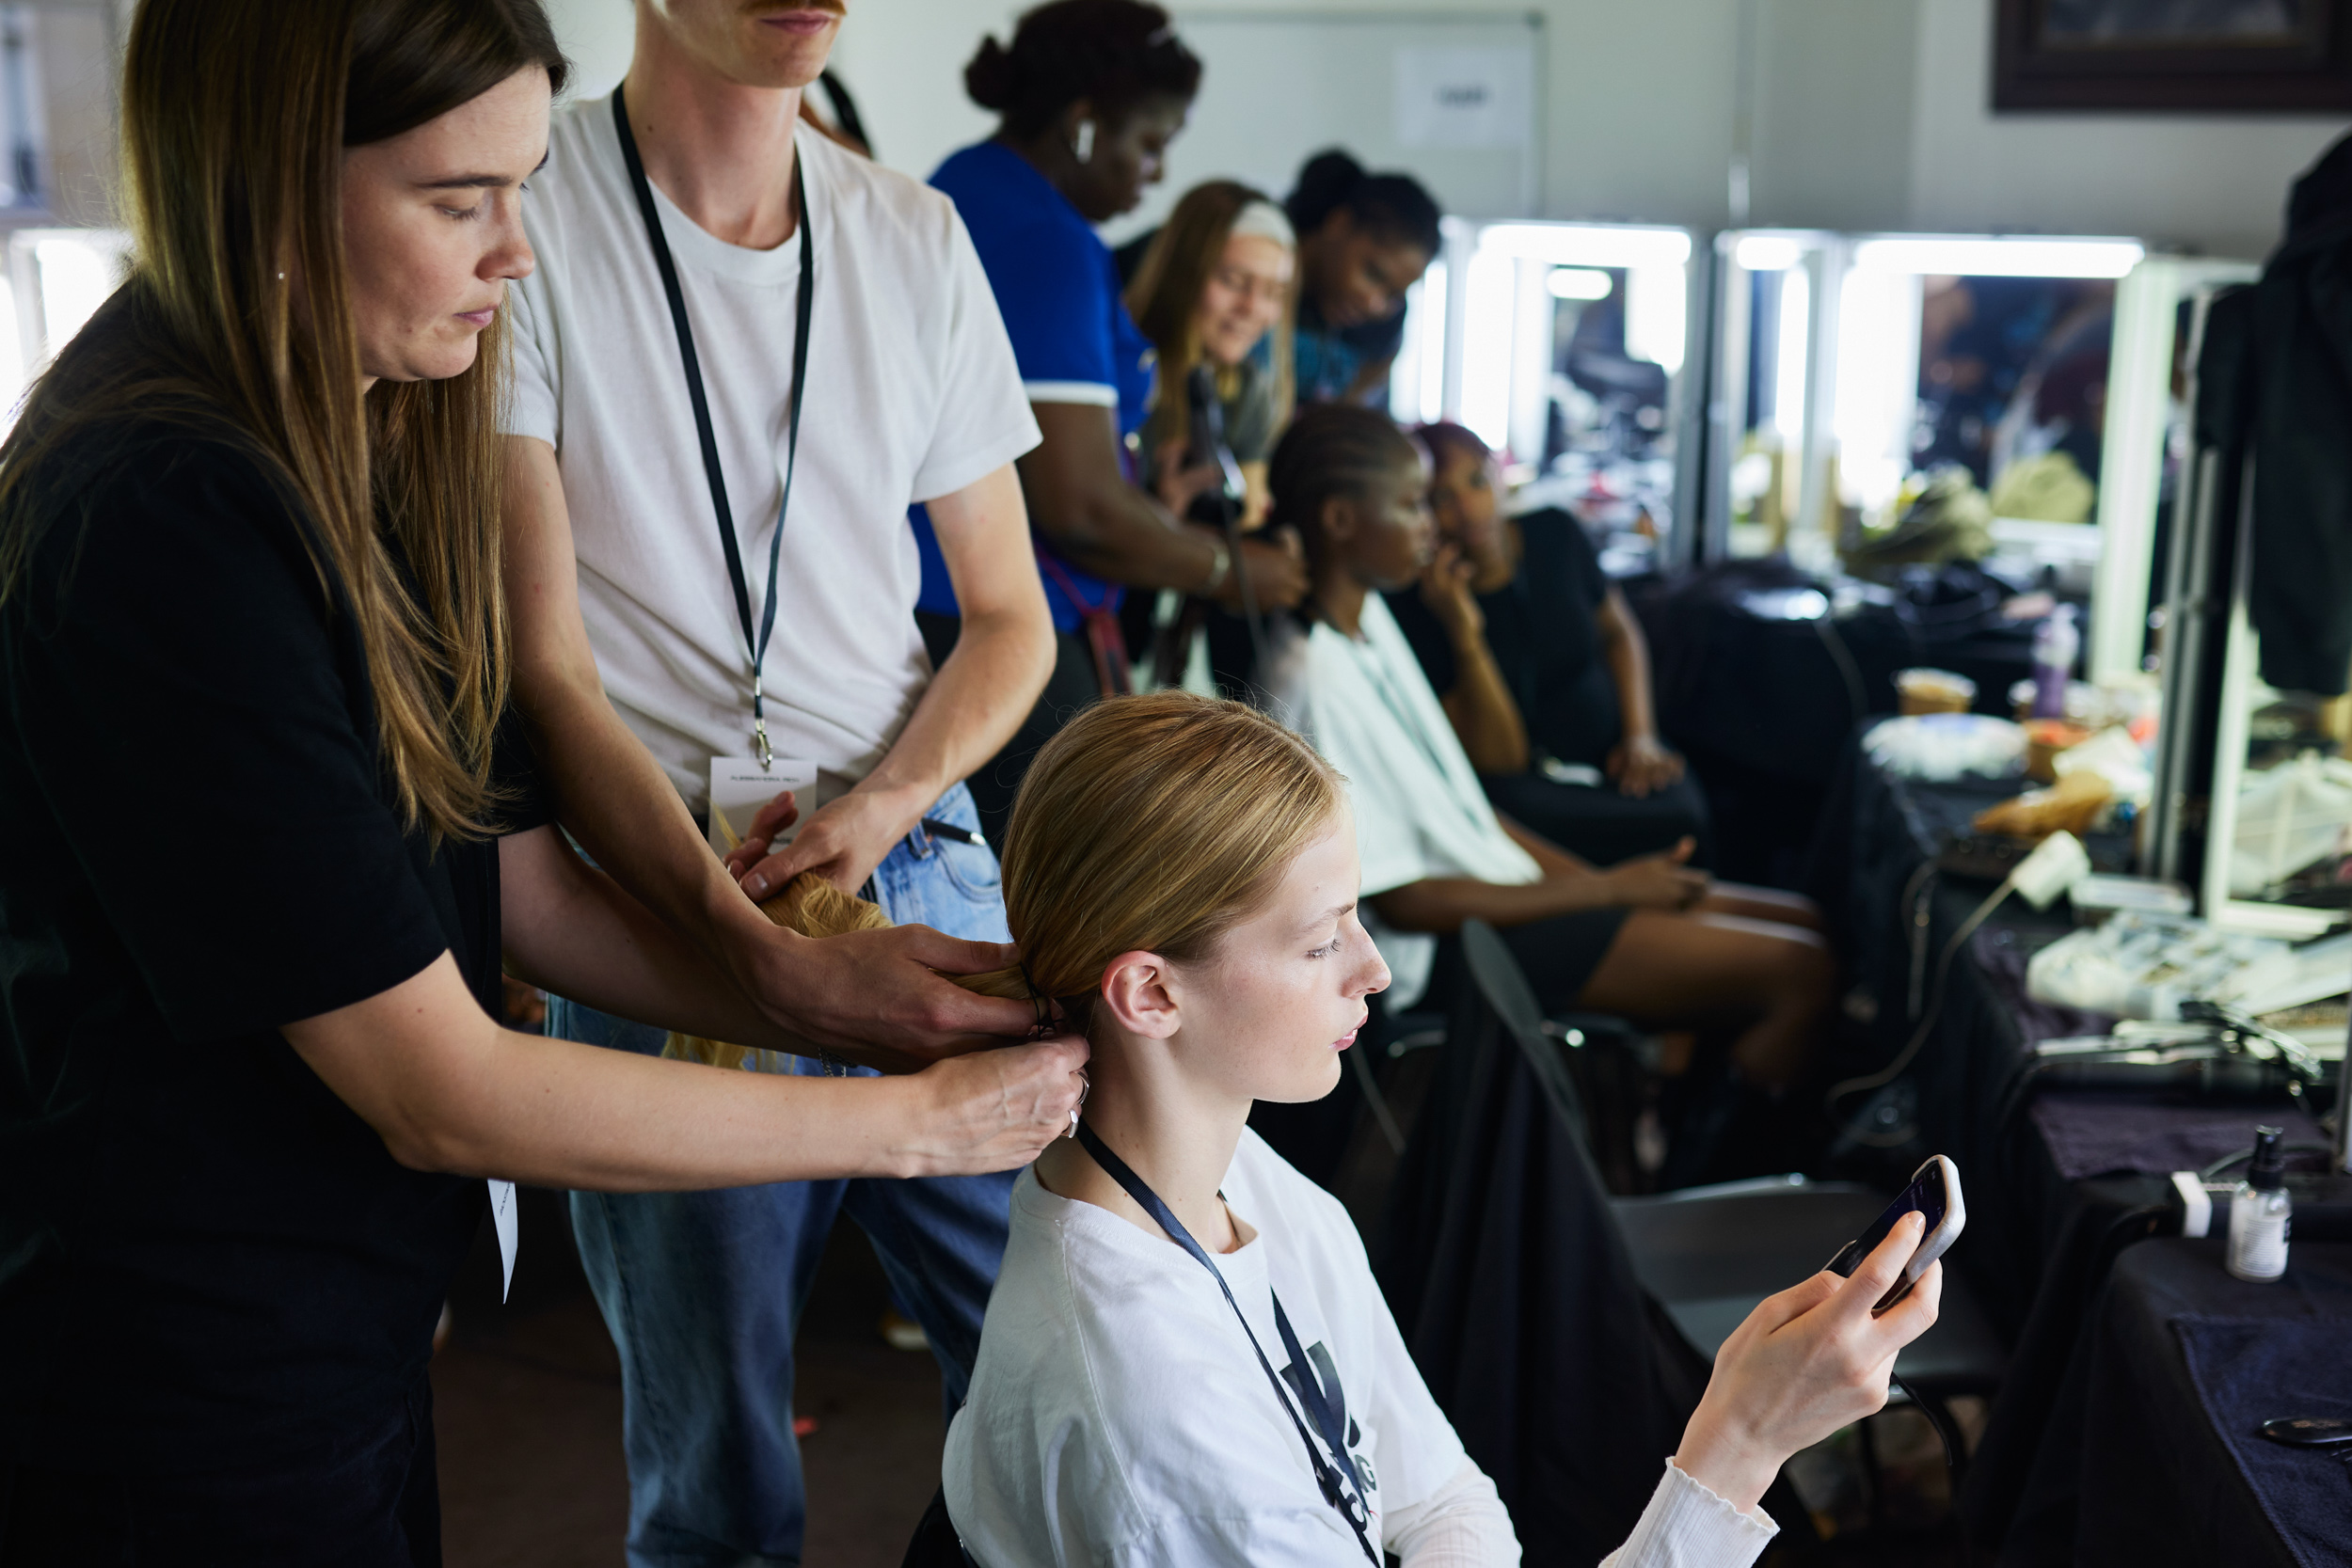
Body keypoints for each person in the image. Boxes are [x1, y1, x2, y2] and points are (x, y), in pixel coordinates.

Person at [0, 2, 1086, 1562]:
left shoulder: (343, 432)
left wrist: (807, 992)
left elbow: (494, 867)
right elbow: (444, 1085)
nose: (518, 256)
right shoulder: (165, 517)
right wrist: (909, 1121)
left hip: (334, 1311)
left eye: (517, 192)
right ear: (270, 186)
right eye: (461, 205)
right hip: (179, 1347)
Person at [497, 0, 1066, 1560]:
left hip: (914, 852)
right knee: (718, 1469)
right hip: (668, 882)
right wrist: (746, 941)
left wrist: (881, 805)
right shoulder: (523, 214)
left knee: (1066, 1377)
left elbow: (1009, 621)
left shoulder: (912, 233)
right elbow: (545, 671)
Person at [941, 692, 1942, 1565]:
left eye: (1357, 918)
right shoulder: (1157, 1425)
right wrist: (1741, 1443)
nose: (1371, 968)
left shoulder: (1238, 1175)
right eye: (1321, 938)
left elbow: (1441, 1493)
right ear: (1153, 991)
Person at [1262, 406, 1834, 1093]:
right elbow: (1405, 899)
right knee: (1802, 969)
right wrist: (1607, 890)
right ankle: (1696, 1167)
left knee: (1808, 921)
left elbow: (1463, 807)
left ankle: (1671, 1120)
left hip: (1501, 899)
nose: (1432, 523)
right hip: (1447, 950)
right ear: (1340, 519)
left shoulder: (1370, 623)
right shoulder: (1312, 678)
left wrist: (1594, 885)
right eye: (1415, 504)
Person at [909, 0, 1311, 842]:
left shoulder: (961, 184)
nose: (1155, 174)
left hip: (928, 609)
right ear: (1085, 124)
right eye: (1151, 143)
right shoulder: (1046, 240)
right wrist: (1229, 568)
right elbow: (1079, 507)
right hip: (995, 624)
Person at [1390, 420, 1719, 867]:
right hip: (1524, 785)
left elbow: (1620, 633)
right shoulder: (1422, 604)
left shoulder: (1556, 532)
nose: (1468, 510)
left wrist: (1640, 736)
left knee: (1685, 811)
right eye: (1443, 499)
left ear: (1499, 475)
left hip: (1614, 754)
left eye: (1477, 482)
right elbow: (1500, 761)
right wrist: (1463, 630)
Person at [1120, 178, 1297, 691]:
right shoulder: (1121, 379)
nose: (1253, 309)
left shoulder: (1254, 393)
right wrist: (1163, 519)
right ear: (1184, 274)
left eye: (1273, 293)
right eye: (1234, 281)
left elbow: (1248, 514)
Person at [1283, 150, 1441, 406]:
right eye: (1373, 273)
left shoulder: (1385, 329)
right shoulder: (1261, 270)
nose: (1374, 304)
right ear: (1339, 224)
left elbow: (1349, 409)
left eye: (1394, 296)